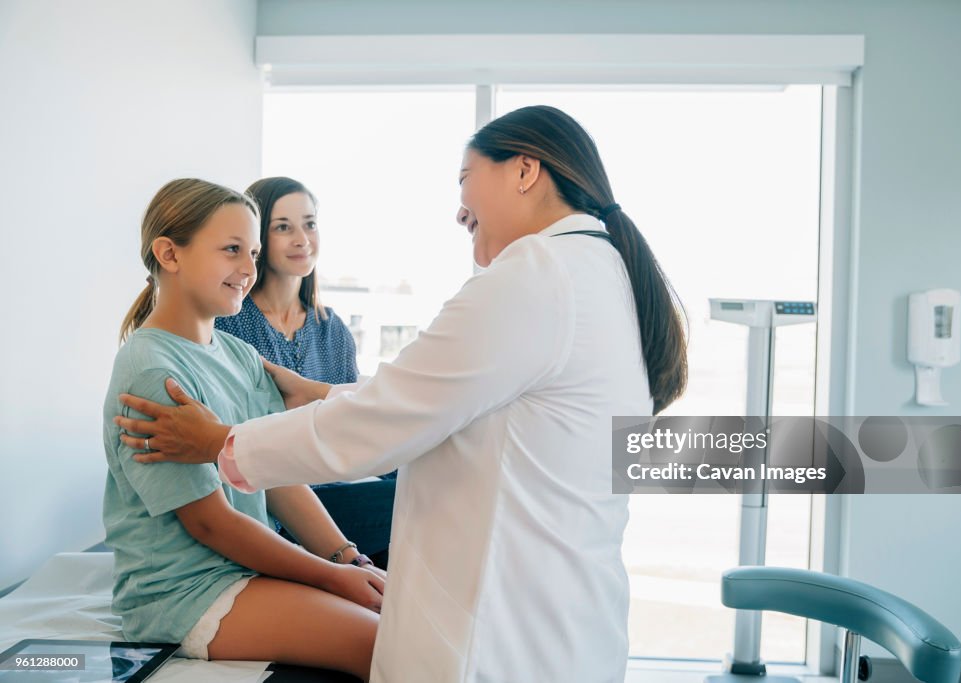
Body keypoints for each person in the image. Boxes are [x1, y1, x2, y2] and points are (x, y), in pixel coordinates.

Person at [115, 106, 688, 682]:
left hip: (518, 615)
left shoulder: (536, 276)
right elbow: (426, 400)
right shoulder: (592, 270)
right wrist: (335, 560)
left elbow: (393, 415)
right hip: (556, 605)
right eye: (236, 247)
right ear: (169, 254)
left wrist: (226, 446)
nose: (459, 210)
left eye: (465, 181)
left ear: (524, 171)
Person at [104, 178, 383, 680]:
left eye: (253, 252)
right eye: (232, 250)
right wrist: (334, 579)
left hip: (241, 571)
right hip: (183, 592)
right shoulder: (152, 371)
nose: (250, 269)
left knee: (412, 623)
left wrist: (348, 559)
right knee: (385, 646)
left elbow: (271, 472)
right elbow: (210, 523)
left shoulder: (239, 355)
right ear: (169, 253)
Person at [215, 176, 396, 566]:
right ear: (258, 238)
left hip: (343, 477)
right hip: (282, 494)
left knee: (419, 472)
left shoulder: (332, 329)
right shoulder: (230, 323)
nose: (302, 238)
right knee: (416, 496)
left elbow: (355, 426)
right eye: (283, 227)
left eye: (309, 224)